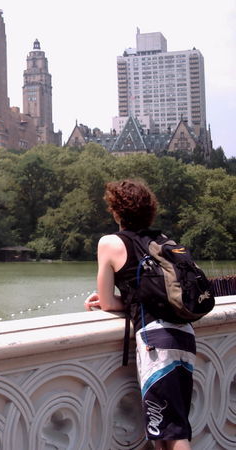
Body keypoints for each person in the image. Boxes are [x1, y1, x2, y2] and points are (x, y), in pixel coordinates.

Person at [84, 179, 195, 450]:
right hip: (184, 336)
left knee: (172, 433)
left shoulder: (110, 243)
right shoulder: (163, 241)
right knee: (167, 429)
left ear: (116, 211)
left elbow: (108, 303)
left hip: (157, 345)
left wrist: (112, 301)